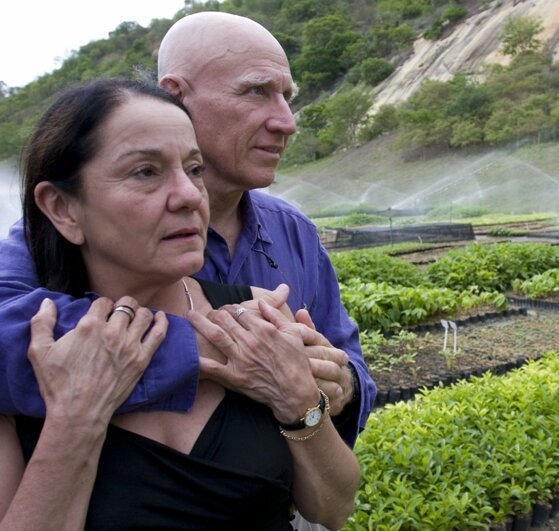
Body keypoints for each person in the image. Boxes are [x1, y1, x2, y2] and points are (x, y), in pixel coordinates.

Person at [0, 11, 375, 448]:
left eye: (287, 96)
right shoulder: (70, 227)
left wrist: (341, 383)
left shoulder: (295, 233)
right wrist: (219, 345)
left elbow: (352, 366)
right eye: (256, 91)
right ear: (175, 97)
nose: (286, 121)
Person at [0, 78, 359, 530]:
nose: (190, 196)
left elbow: (334, 507)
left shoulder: (258, 316)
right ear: (63, 209)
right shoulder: (29, 363)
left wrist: (302, 402)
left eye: (193, 169)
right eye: (145, 172)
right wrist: (77, 422)